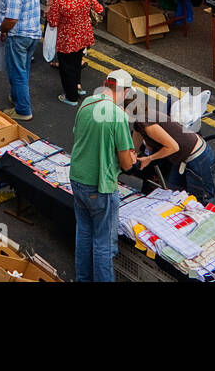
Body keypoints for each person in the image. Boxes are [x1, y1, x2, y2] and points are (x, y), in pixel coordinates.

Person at [69, 69, 137, 282]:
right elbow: (126, 164)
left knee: (84, 233)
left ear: (105, 84)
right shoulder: (117, 115)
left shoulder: (86, 103)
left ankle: (83, 279)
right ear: (124, 91)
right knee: (103, 244)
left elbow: (79, 136)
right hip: (100, 186)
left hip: (77, 178)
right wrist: (132, 157)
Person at [126, 90, 215, 202]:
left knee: (200, 199)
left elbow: (173, 147)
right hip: (183, 158)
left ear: (128, 110)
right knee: (174, 194)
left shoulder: (146, 121)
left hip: (198, 158)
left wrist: (149, 159)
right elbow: (133, 148)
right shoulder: (140, 123)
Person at [46, 0, 103, 105]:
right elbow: (99, 9)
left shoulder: (59, 1)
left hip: (67, 39)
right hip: (83, 35)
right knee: (77, 62)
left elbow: (53, 22)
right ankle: (77, 86)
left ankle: (71, 97)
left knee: (66, 68)